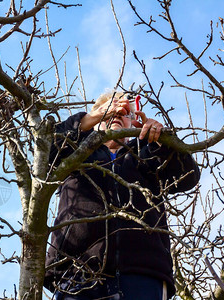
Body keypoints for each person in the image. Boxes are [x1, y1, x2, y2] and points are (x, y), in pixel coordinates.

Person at [44, 92, 200, 300]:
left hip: (143, 274)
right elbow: (43, 148)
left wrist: (162, 139)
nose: (117, 115)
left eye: (125, 114)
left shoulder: (146, 155)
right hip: (75, 274)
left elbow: (187, 176)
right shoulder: (72, 153)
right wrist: (92, 117)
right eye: (110, 112)